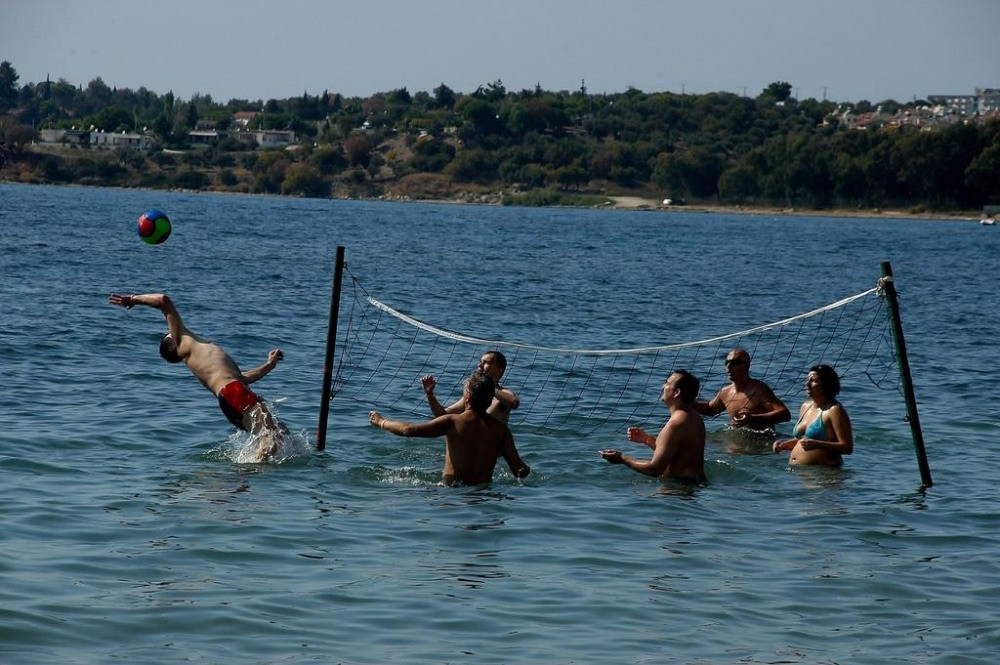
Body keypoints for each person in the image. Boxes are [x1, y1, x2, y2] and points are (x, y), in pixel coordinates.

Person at [108, 292, 288, 461]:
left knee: (282, 435)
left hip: (231, 396)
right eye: (170, 332)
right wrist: (133, 299)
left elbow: (242, 379)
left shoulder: (204, 363)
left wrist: (269, 364)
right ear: (172, 343)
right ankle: (249, 473)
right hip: (234, 393)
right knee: (270, 441)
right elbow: (163, 300)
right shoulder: (182, 340)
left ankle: (245, 474)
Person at [369, 371, 530, 486]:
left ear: (467, 398)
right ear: (490, 401)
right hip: (484, 494)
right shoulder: (501, 430)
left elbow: (408, 430)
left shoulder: (453, 421)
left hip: (451, 492)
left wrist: (382, 422)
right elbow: (519, 470)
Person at [601, 370, 707, 482]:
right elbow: (677, 454)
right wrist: (647, 440)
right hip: (695, 485)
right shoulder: (695, 418)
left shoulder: (675, 424)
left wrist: (622, 458)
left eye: (667, 383)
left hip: (679, 489)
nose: (663, 386)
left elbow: (654, 470)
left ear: (676, 392)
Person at [773, 364, 853, 466]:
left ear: (826, 385)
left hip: (825, 472)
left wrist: (817, 444)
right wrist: (784, 445)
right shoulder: (805, 406)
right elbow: (803, 441)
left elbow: (847, 447)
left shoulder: (834, 410)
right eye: (807, 380)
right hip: (800, 472)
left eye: (814, 380)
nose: (807, 384)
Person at [692, 348, 790, 431]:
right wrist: (687, 402)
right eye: (727, 362)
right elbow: (710, 410)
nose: (729, 366)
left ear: (747, 365)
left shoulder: (759, 390)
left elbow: (785, 414)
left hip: (761, 442)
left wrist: (753, 419)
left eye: (735, 363)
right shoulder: (725, 392)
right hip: (737, 441)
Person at [421, 350, 520, 423]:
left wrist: (487, 387)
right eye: (480, 361)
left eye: (486, 362)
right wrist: (430, 394)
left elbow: (514, 402)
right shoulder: (472, 395)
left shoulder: (504, 395)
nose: (479, 365)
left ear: (499, 370)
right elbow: (442, 416)